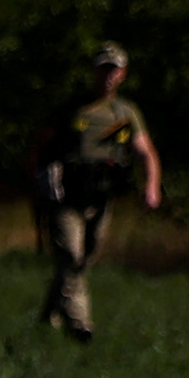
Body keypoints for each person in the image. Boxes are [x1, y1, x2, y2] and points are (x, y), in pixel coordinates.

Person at [34, 46, 161, 339]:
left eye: (114, 70)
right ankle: (79, 323)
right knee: (71, 256)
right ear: (94, 71)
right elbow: (41, 145)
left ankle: (49, 315)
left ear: (123, 74)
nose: (108, 75)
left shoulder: (125, 113)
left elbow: (146, 152)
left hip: (102, 197)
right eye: (103, 68)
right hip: (66, 196)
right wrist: (39, 181)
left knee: (85, 258)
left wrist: (151, 187)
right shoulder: (71, 108)